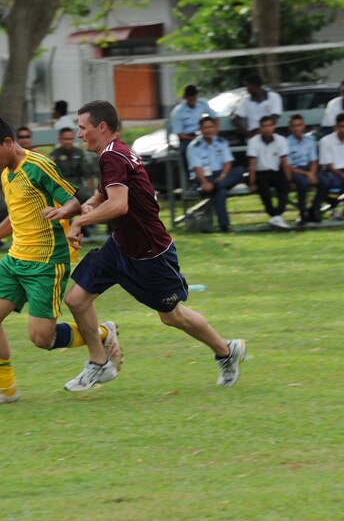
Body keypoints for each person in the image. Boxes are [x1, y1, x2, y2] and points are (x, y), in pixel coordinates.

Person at [64, 100, 246, 392]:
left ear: (101, 127)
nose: (78, 134)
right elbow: (106, 193)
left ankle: (226, 351)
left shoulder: (113, 155)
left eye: (83, 128)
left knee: (173, 316)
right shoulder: (114, 153)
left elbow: (119, 205)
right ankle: (99, 364)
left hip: (150, 254)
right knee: (76, 299)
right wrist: (88, 206)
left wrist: (79, 223)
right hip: (120, 247)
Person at [0, 113, 121, 406]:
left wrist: (65, 214)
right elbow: (16, 216)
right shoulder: (7, 172)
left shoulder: (39, 166)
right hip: (15, 258)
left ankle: (103, 332)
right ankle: (5, 391)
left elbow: (73, 199)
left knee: (41, 339)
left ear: (8, 142)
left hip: (46, 262)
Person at [185, 115, 246, 232]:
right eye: (205, 128)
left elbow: (228, 162)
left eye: (211, 127)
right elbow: (197, 168)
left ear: (215, 128)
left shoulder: (221, 142)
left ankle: (216, 186)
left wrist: (221, 177)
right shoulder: (194, 146)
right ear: (201, 129)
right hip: (203, 176)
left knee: (240, 170)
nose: (208, 130)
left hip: (220, 176)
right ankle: (225, 226)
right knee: (221, 192)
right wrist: (205, 182)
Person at [246, 116, 292, 229]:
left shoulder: (281, 140)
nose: (267, 129)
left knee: (284, 186)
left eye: (270, 126)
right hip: (260, 172)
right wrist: (252, 183)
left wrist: (290, 180)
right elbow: (252, 164)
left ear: (274, 127)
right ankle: (275, 215)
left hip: (275, 171)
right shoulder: (253, 141)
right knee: (263, 186)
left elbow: (284, 162)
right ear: (260, 128)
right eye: (264, 126)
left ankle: (277, 216)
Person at [286, 114, 328, 225]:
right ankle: (302, 213)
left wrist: (312, 173)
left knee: (324, 182)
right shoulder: (286, 143)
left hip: (309, 169)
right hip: (295, 170)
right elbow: (289, 166)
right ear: (290, 128)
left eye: (299, 125)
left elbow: (314, 161)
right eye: (294, 126)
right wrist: (308, 174)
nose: (297, 128)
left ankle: (314, 210)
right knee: (303, 183)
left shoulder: (310, 140)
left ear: (303, 126)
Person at [169, 84, 217, 164]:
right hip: (187, 137)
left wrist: (215, 131)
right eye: (190, 100)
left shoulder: (202, 103)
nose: (192, 102)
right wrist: (195, 139)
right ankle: (189, 174)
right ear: (185, 98)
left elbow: (215, 117)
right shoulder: (178, 111)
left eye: (194, 99)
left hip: (203, 133)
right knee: (186, 151)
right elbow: (180, 134)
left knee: (218, 146)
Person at [232, 74, 283, 138]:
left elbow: (274, 119)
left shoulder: (274, 97)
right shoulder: (245, 100)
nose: (246, 89)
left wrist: (261, 131)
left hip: (270, 131)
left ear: (255, 85)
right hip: (253, 133)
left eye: (248, 86)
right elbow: (234, 119)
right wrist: (247, 134)